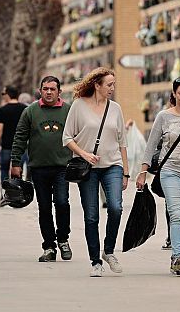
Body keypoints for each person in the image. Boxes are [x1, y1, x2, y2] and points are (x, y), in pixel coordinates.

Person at [63, 67, 129, 277]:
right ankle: (95, 262)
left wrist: (126, 172)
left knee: (116, 208)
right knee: (91, 216)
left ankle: (108, 251)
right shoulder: (79, 106)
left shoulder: (115, 108)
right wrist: (84, 154)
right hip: (88, 170)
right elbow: (67, 137)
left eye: (113, 84)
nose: (112, 88)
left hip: (113, 166)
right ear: (97, 85)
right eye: (109, 84)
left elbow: (122, 141)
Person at [136, 78, 180, 276]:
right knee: (176, 214)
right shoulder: (163, 116)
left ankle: (177, 254)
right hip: (169, 170)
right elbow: (151, 145)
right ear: (174, 94)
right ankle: (177, 256)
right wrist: (143, 171)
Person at [11, 76, 73, 262]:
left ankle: (63, 239)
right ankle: (49, 246)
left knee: (62, 203)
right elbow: (20, 137)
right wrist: (15, 163)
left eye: (52, 89)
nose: (49, 92)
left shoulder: (69, 111)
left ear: (59, 91)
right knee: (44, 207)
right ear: (40, 91)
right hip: (38, 168)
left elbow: (79, 135)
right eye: (45, 89)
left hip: (62, 167)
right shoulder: (30, 111)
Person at [0, 86, 27, 206]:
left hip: (7, 146)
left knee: (4, 170)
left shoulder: (2, 110)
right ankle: (18, 197)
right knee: (18, 170)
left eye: (3, 94)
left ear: (8, 95)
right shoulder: (25, 109)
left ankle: (5, 196)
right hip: (22, 146)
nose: (3, 96)